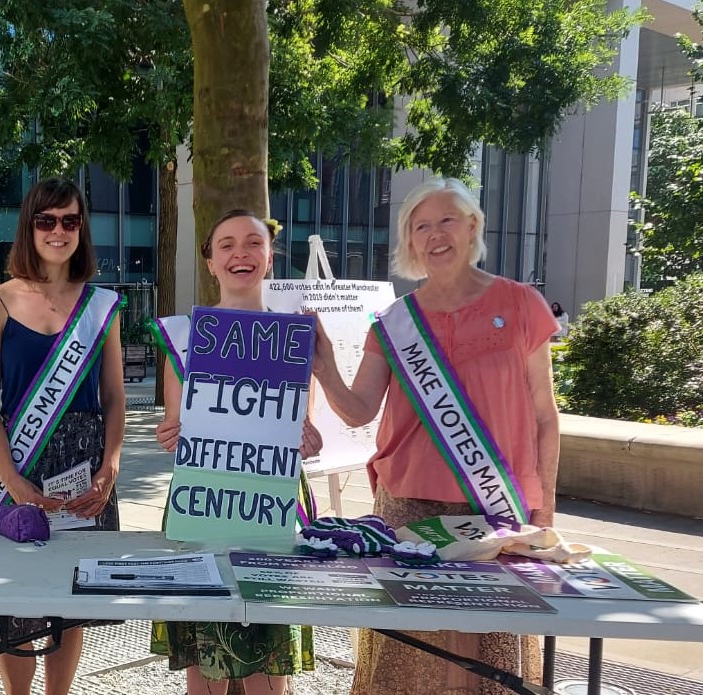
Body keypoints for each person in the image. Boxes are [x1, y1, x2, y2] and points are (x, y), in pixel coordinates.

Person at [310, 178, 560, 695]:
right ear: (409, 242)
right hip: (408, 507)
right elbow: (358, 412)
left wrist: (545, 508)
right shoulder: (395, 323)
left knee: (489, 658)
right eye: (420, 226)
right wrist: (327, 365)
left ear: (472, 226)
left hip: (493, 506)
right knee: (409, 659)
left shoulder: (520, 305)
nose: (435, 234)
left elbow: (544, 417)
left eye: (446, 220)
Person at [150, 209, 321, 695]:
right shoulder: (183, 338)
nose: (239, 253)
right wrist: (172, 436)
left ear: (269, 257)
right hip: (206, 497)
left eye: (252, 243)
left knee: (269, 656)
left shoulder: (294, 337)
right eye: (225, 244)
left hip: (273, 499)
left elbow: (305, 426)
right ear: (209, 261)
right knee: (206, 656)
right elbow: (178, 428)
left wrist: (310, 441)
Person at [0, 177, 126, 695]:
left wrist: (110, 470)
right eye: (47, 220)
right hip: (22, 464)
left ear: (82, 228)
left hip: (87, 474)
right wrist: (12, 481)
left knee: (72, 601)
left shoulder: (101, 305)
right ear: (29, 227)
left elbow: (115, 399)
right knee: (16, 602)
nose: (58, 231)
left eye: (70, 220)